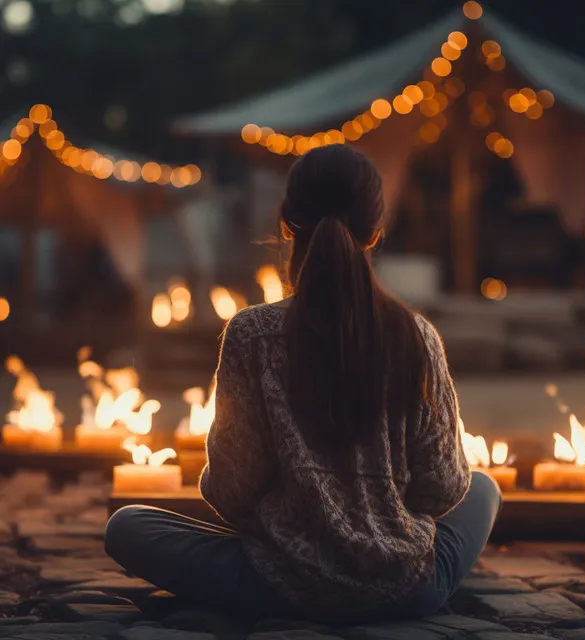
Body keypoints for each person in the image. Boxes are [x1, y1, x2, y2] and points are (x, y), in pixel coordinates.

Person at [105, 145, 502, 624]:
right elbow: (444, 485)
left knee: (128, 526)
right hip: (406, 588)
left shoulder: (249, 334)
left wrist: (291, 516)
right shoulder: (417, 337)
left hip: (278, 584)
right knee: (484, 488)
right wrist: (381, 519)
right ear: (375, 231)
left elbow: (232, 492)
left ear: (288, 223)